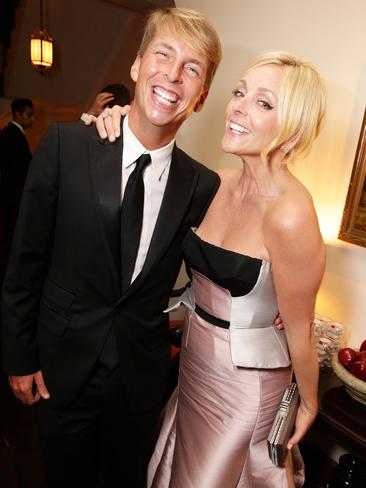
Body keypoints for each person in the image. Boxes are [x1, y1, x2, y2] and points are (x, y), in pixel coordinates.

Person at [1, 8, 222, 488]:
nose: (173, 75)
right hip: (60, 366)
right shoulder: (66, 145)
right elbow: (25, 263)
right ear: (137, 66)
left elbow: (215, 266)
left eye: (192, 68)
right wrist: (19, 356)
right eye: (163, 55)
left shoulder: (204, 185)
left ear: (201, 97)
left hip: (138, 381)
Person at [95, 51, 326, 487]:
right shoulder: (215, 183)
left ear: (294, 124)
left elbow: (300, 328)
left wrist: (309, 403)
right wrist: (114, 124)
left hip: (245, 388)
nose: (238, 105)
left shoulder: (291, 214)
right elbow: (149, 167)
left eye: (263, 102)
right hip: (194, 364)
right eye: (240, 92)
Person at [0, 98, 35, 249]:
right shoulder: (14, 136)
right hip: (14, 195)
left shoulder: (10, 133)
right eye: (29, 114)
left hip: (9, 194)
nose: (33, 119)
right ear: (18, 114)